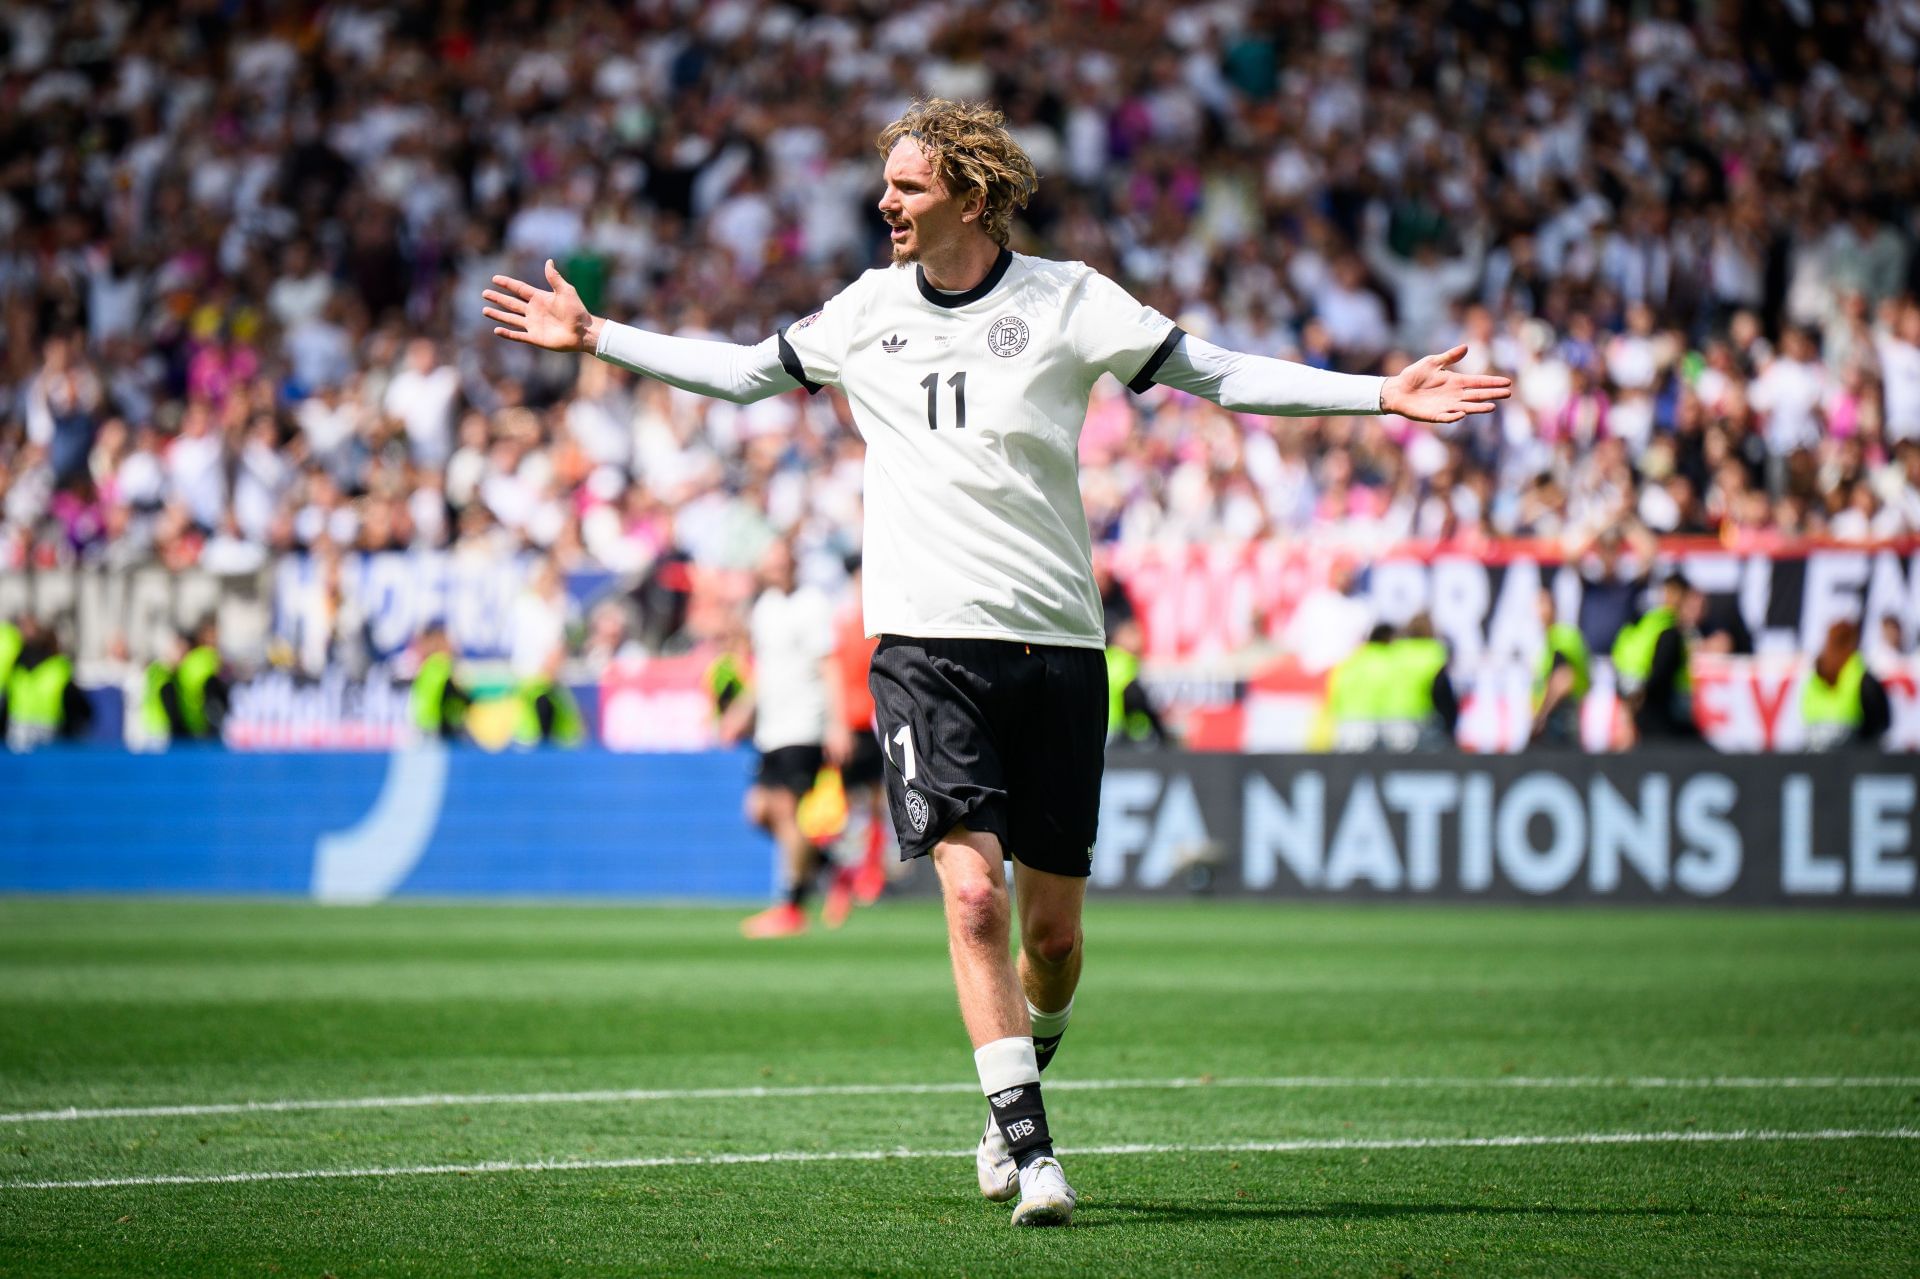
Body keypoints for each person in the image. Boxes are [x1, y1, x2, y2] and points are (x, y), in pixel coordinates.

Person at [481, 97, 1509, 1227]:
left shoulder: (1070, 301)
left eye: (911, 187)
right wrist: (597, 337)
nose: (887, 202)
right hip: (926, 647)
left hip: (1059, 649)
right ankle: (1034, 1155)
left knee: (1053, 940)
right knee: (971, 894)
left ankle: (1015, 1081)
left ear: (971, 196)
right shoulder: (866, 310)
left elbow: (1215, 372)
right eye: (888, 184)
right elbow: (739, 375)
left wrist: (1380, 393)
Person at [725, 538, 845, 939]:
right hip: (771, 728)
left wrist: (837, 723)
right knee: (759, 810)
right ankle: (827, 866)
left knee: (785, 811)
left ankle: (791, 906)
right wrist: (742, 711)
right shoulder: (765, 609)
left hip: (804, 723)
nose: (777, 570)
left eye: (782, 563)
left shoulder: (811, 604)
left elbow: (829, 666)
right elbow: (763, 672)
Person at [1612, 575, 1702, 744]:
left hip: (1635, 703)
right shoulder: (1669, 630)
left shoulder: (1645, 624)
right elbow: (1660, 673)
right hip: (1659, 713)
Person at [2, 618, 93, 751]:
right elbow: (79, 707)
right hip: (51, 733)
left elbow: (6, 700)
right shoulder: (59, 669)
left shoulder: (16, 667)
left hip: (17, 731)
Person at [1801, 621, 1891, 751]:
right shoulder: (1858, 675)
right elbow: (1881, 721)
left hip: (1816, 753)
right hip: (1853, 754)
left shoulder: (1813, 677)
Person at [1531, 589, 1590, 748]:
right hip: (1557, 715)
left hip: (1561, 715)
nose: (1539, 611)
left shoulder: (1562, 637)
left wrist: (1541, 715)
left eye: (1543, 604)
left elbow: (1564, 678)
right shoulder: (1549, 639)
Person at [1105, 617, 1170, 747]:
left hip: (1102, 729)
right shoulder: (1126, 662)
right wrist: (1160, 730)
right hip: (1119, 733)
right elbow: (1133, 696)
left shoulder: (1106, 658)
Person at [410, 625, 472, 742]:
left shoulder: (426, 668)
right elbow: (456, 692)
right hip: (437, 727)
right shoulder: (441, 666)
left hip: (422, 723)